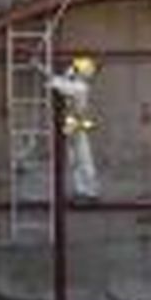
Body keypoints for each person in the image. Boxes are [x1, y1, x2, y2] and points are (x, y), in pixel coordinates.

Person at [47, 56, 101, 199]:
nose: (71, 69)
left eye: (75, 69)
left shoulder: (79, 88)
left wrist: (46, 74)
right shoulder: (76, 83)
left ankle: (91, 191)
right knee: (74, 160)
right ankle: (81, 190)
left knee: (83, 158)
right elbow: (59, 80)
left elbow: (57, 84)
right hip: (71, 123)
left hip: (76, 123)